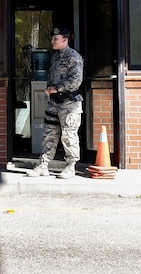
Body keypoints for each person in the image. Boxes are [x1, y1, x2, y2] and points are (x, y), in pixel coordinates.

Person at [25, 26, 84, 179]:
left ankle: (70, 166)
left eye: (55, 39)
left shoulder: (74, 57)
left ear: (65, 39)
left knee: (69, 135)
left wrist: (56, 88)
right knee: (49, 133)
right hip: (54, 102)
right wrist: (50, 90)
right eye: (52, 38)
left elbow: (76, 81)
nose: (52, 41)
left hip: (69, 103)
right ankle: (43, 165)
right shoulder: (55, 57)